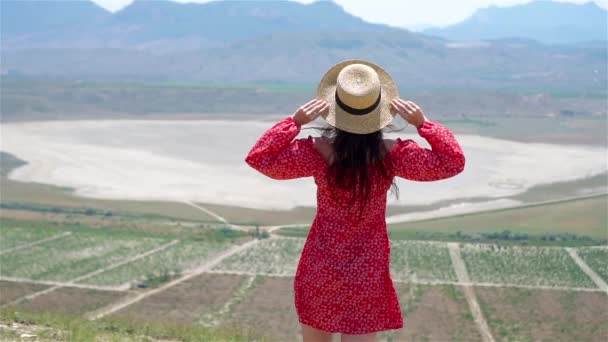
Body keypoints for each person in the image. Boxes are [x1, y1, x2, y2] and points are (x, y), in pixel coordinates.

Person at [245, 60, 465, 342]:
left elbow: (260, 158)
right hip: (367, 266)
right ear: (380, 111)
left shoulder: (316, 152)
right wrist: (423, 124)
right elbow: (452, 162)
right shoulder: (392, 155)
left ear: (334, 108)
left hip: (320, 263)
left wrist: (294, 122)